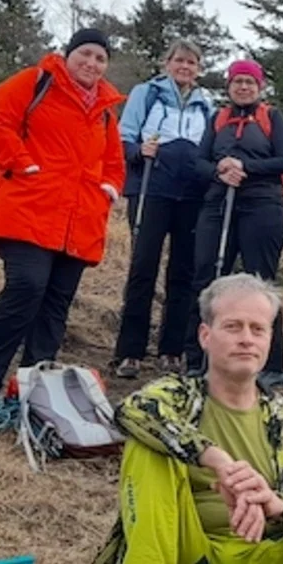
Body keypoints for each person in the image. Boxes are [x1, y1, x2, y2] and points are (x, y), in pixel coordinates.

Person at [95, 274, 283, 564]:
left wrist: (274, 502)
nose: (246, 339)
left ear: (270, 339)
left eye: (258, 329)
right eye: (233, 327)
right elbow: (131, 411)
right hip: (190, 548)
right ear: (205, 336)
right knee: (149, 445)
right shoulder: (179, 396)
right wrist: (217, 460)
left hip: (266, 551)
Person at [0, 28, 127, 409]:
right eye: (84, 54)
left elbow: (114, 162)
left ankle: (34, 388)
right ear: (68, 54)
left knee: (56, 303)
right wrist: (24, 165)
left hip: (80, 219)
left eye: (100, 58)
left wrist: (108, 189)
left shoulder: (105, 111)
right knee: (26, 288)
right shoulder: (34, 82)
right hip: (28, 209)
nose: (91, 63)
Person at [186, 59, 283, 390]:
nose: (244, 87)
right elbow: (199, 162)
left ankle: (272, 365)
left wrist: (243, 165)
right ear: (229, 86)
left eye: (250, 82)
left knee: (261, 281)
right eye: (238, 82)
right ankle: (199, 359)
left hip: (263, 205)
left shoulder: (271, 117)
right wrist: (221, 169)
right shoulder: (218, 118)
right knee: (206, 276)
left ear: (259, 86)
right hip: (219, 203)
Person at [112, 40, 217, 379]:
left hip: (191, 193)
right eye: (179, 61)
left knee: (183, 272)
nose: (185, 68)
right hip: (151, 189)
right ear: (167, 63)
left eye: (192, 63)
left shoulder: (206, 104)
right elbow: (123, 135)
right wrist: (138, 150)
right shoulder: (147, 92)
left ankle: (172, 349)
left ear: (199, 68)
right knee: (144, 266)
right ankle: (129, 351)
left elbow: (211, 147)